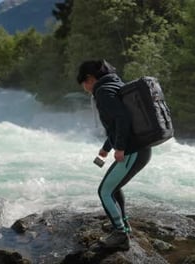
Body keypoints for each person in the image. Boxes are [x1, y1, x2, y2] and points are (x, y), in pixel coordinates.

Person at [77, 60, 152, 250]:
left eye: (83, 84)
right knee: (114, 188)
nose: (85, 88)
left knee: (104, 191)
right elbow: (116, 124)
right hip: (140, 149)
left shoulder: (102, 92)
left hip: (132, 150)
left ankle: (120, 235)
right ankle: (124, 226)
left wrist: (119, 148)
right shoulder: (115, 84)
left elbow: (122, 119)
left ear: (90, 79)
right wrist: (106, 148)